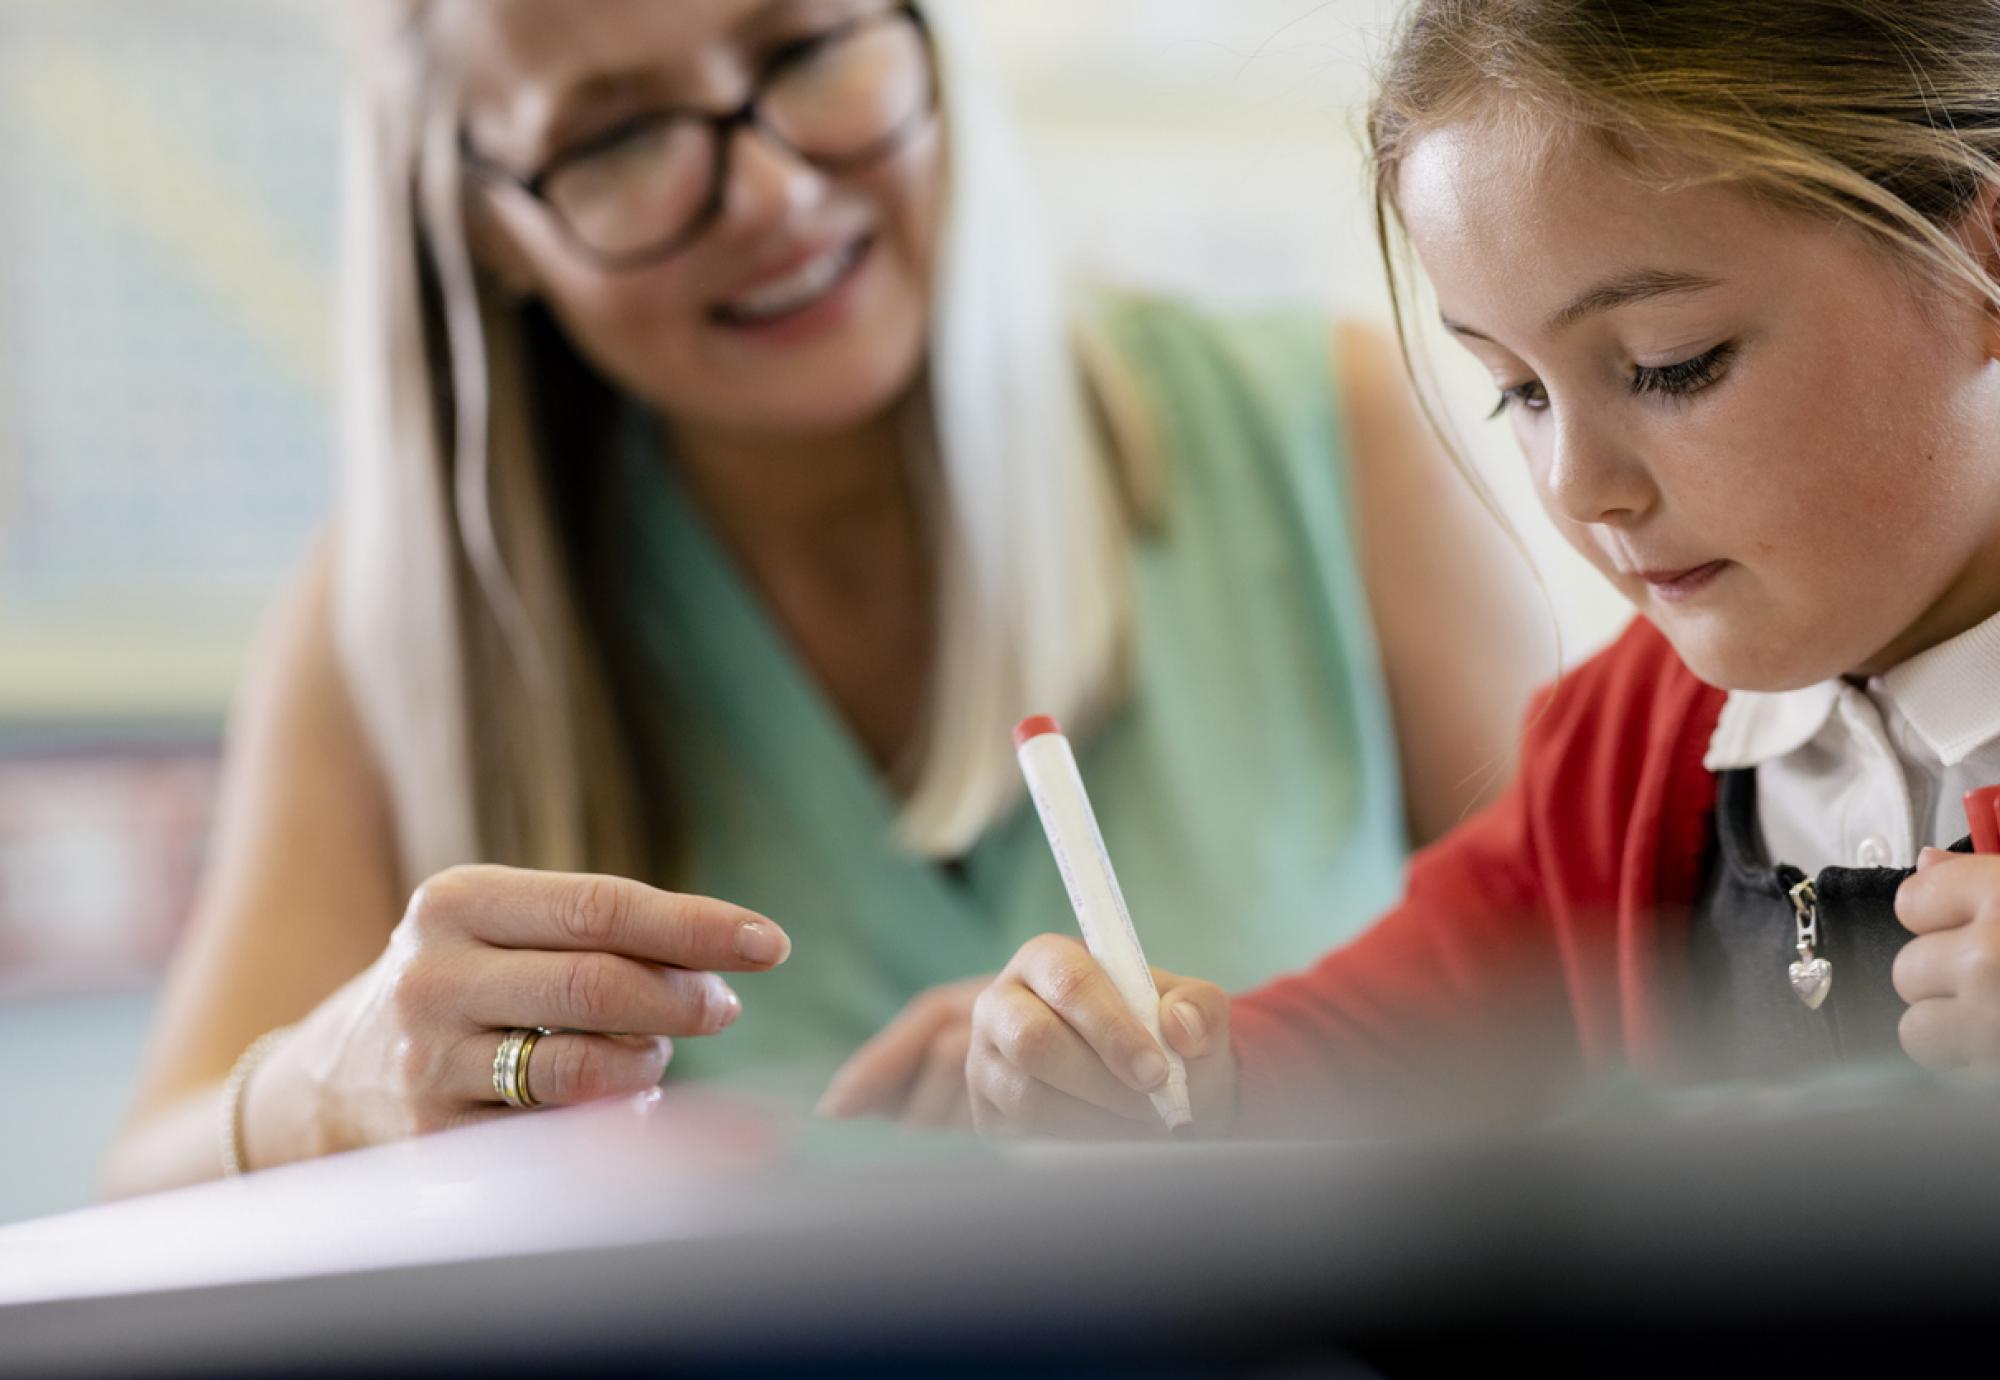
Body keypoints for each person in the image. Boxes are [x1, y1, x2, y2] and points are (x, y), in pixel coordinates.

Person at [103, 0, 1544, 1193]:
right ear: (484, 224)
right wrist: (327, 1091)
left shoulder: (1332, 439)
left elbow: (1616, 1046)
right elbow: (133, 1220)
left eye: (805, 51)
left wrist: (1263, 1098)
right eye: (618, 137)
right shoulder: (400, 631)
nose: (774, 190)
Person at [964, 0, 2000, 1140]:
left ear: (1979, 258)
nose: (1573, 486)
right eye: (1518, 391)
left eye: (1670, 367)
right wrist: (1159, 1074)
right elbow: (1381, 1043)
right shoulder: (1625, 748)